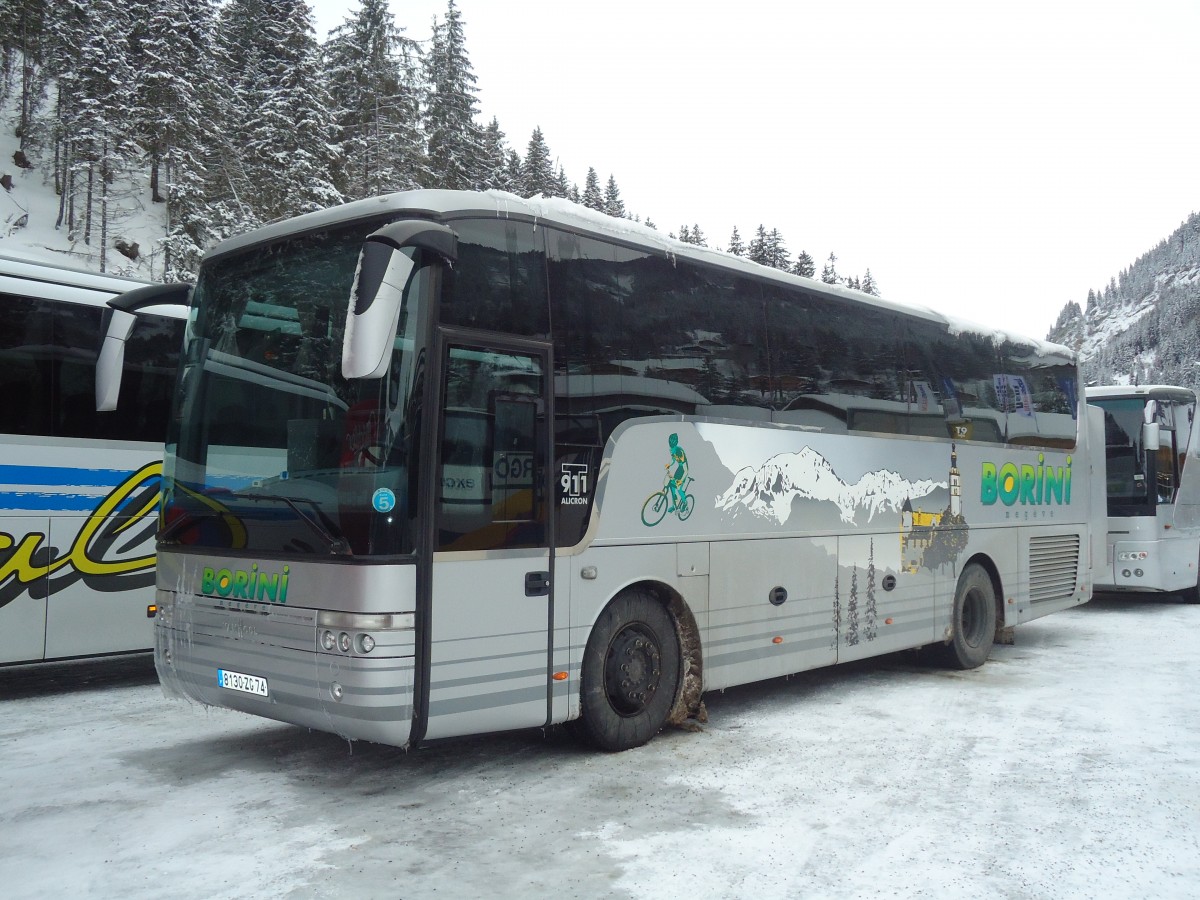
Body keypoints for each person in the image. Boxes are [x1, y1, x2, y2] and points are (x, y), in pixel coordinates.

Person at [664, 432, 689, 511]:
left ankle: (685, 503)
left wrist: (681, 481)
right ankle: (674, 506)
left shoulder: (679, 452)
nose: (671, 450)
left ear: (675, 446)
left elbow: (685, 470)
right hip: (679, 469)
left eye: (672, 448)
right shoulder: (672, 449)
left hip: (684, 470)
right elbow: (673, 460)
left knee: (678, 488)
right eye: (670, 447)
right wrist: (669, 464)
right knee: (672, 487)